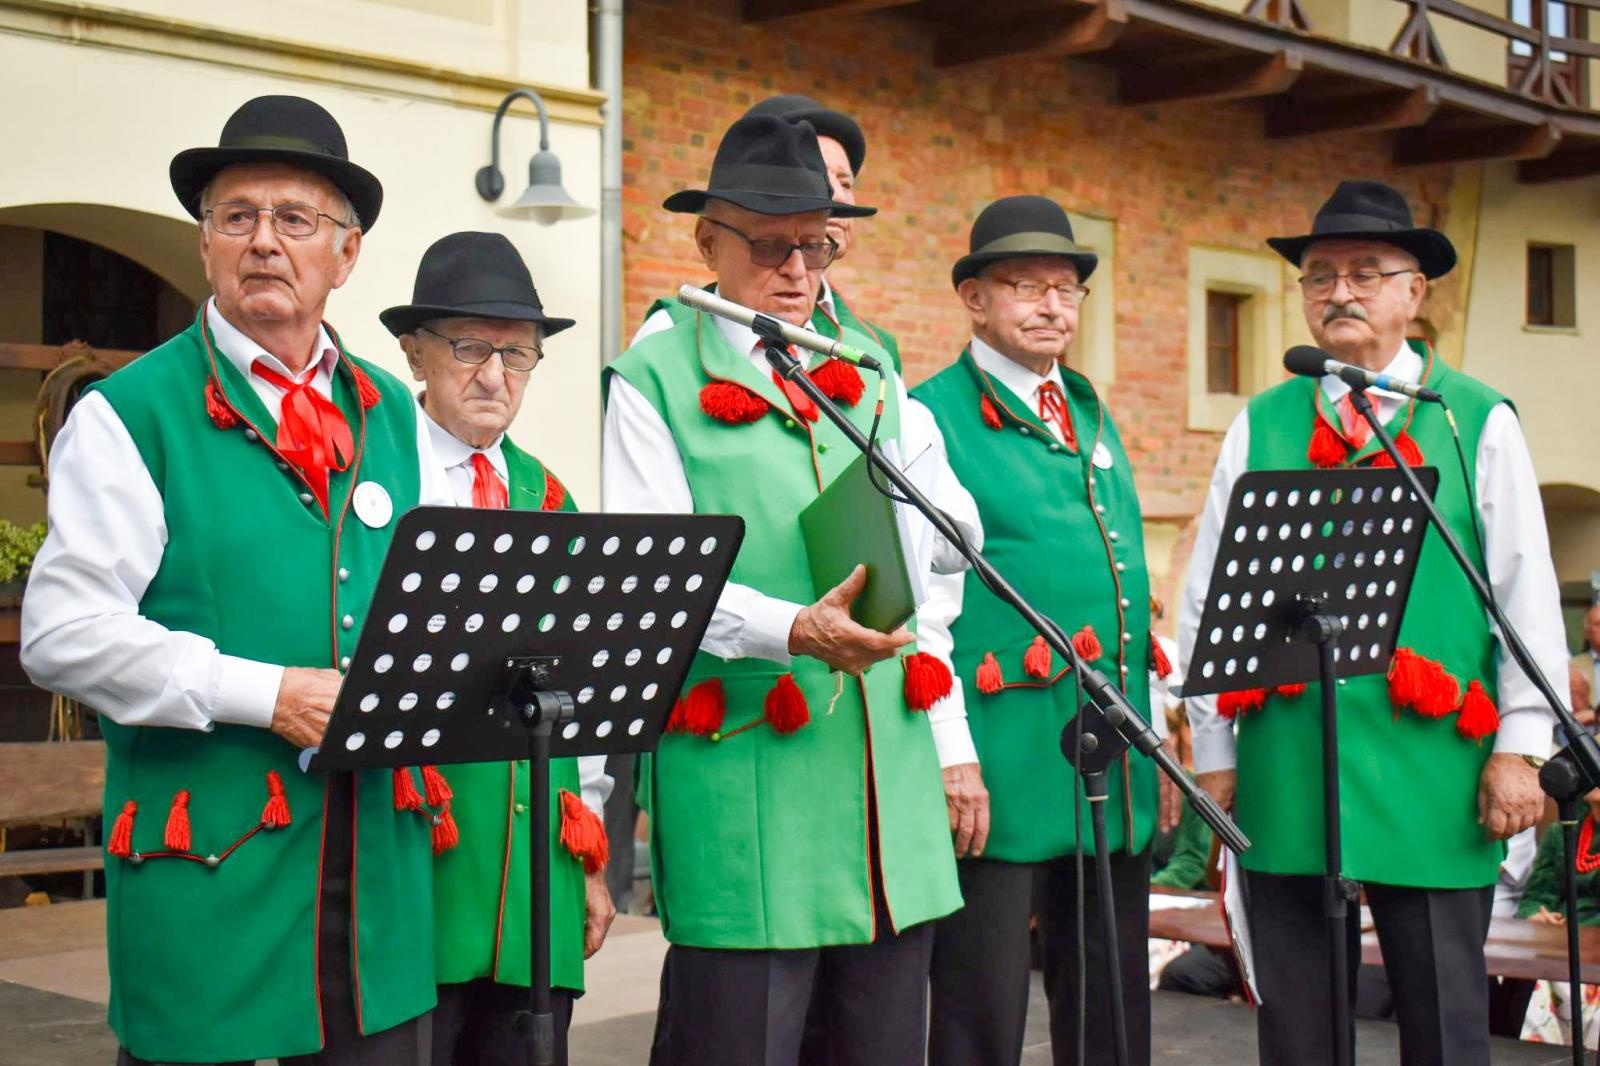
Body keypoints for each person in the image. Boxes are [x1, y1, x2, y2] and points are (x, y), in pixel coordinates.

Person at [20, 95, 451, 1065]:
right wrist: (268, 694)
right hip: (210, 875)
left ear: (346, 253)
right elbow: (62, 633)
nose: (263, 241)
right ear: (205, 243)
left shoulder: (393, 411)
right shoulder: (130, 413)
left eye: (295, 218)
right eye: (237, 216)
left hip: (376, 883)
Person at [603, 113, 982, 1066]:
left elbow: (950, 540)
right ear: (707, 243)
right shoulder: (652, 377)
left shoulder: (871, 366)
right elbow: (656, 582)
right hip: (750, 779)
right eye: (770, 246)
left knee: (880, 1044)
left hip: (881, 789)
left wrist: (934, 546)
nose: (798, 271)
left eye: (816, 246)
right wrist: (792, 629)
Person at [1180, 179, 1568, 1066]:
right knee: (1298, 1029)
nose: (1339, 292)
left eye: (1364, 272)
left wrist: (1521, 748)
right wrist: (1215, 751)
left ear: (1413, 291)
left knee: (1443, 1020)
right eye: (1320, 276)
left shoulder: (1474, 420)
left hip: (1432, 766)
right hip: (1288, 761)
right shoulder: (1261, 422)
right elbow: (1206, 599)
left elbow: (1524, 594)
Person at [914, 195, 1160, 1066]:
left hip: (1107, 751)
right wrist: (952, 755)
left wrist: (1154, 732)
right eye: (1027, 285)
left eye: (1067, 288)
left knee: (1111, 1006)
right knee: (981, 1008)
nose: (1052, 305)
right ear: (974, 298)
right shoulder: (928, 414)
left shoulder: (1087, 406)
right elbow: (920, 604)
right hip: (1003, 754)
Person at [380, 230, 616, 1066]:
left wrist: (589, 855)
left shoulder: (550, 497)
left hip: (535, 881)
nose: (494, 376)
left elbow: (582, 699)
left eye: (517, 354)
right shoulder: (376, 481)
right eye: (469, 347)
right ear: (415, 353)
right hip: (416, 865)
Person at [632, 93, 901, 369]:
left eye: (845, 183)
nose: (835, 197)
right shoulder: (668, 340)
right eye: (769, 246)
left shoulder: (876, 350)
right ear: (709, 243)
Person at [1571, 605, 1600, 722]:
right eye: (1598, 624)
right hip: (1584, 730)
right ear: (1586, 633)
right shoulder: (1572, 667)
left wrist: (1594, 715)